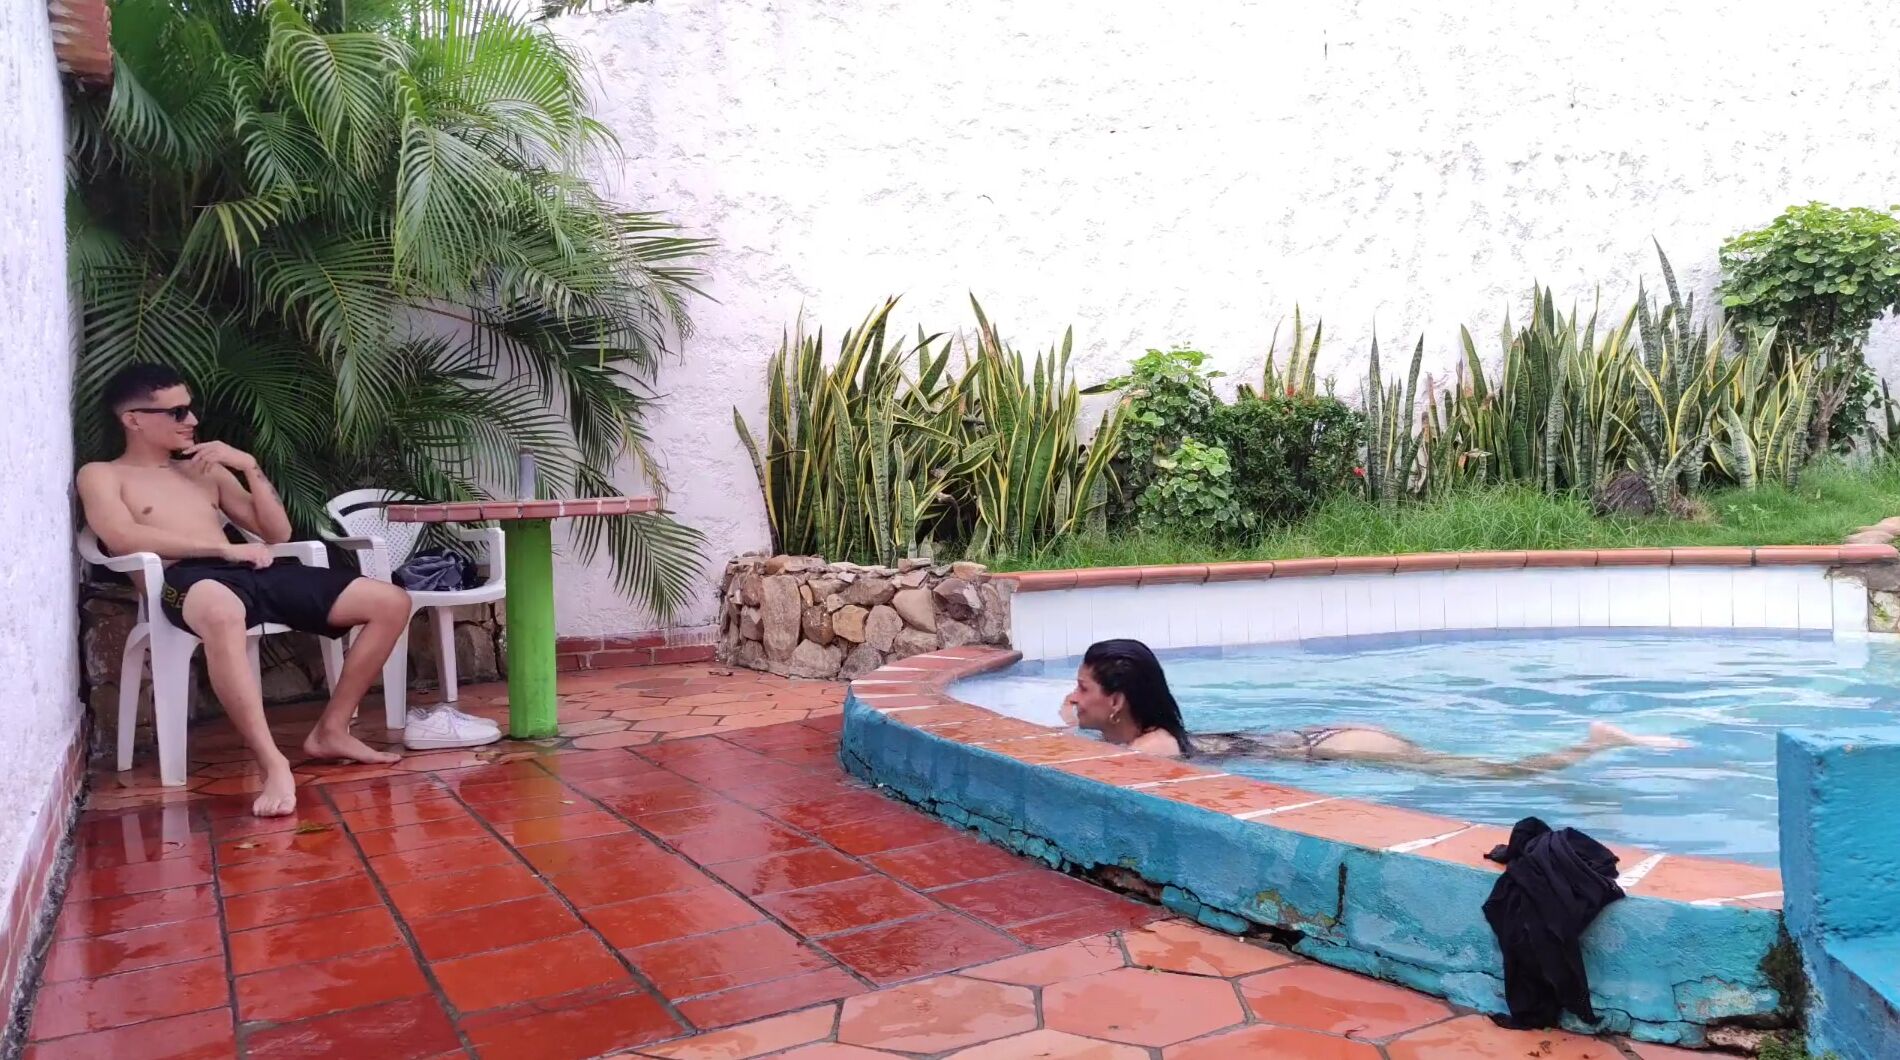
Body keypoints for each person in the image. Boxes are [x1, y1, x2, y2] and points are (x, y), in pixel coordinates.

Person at [75, 364, 499, 816]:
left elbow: (276, 532)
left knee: (390, 601)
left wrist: (249, 467)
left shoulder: (204, 472)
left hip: (250, 568)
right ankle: (272, 762)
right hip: (182, 580)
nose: (192, 421)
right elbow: (121, 536)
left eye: (191, 409)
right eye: (177, 412)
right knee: (222, 612)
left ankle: (331, 730)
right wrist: (221, 548)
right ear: (133, 419)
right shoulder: (101, 474)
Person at [1060, 639, 1686, 779]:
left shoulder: (1153, 749)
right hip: (1315, 738)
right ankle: (1596, 743)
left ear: (1117, 702)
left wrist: (1069, 727)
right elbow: (1082, 728)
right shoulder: (1137, 729)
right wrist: (1074, 713)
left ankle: (1595, 744)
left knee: (1488, 773)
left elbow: (1092, 762)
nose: (1074, 696)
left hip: (1337, 747)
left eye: (1083, 687)